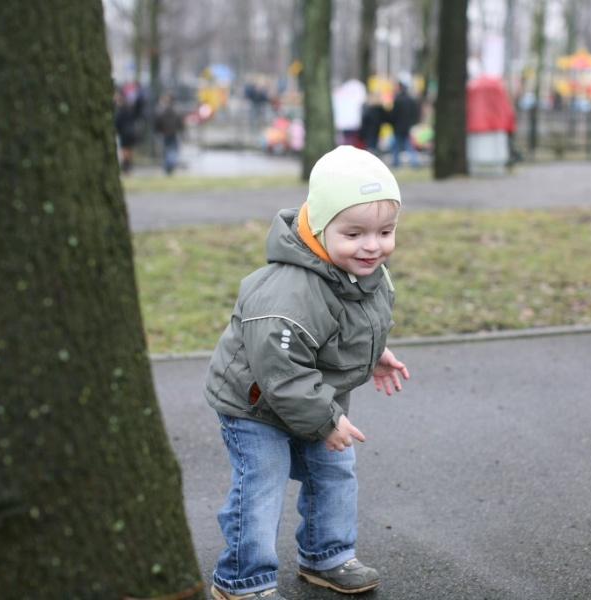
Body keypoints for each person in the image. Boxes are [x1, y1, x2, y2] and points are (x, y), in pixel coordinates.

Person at [204, 145, 410, 600]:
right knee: (262, 482)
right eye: (354, 233)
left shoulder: (362, 272)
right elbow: (281, 371)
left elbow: (352, 322)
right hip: (256, 404)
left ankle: (327, 555)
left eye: (385, 231)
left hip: (313, 397)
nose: (373, 245)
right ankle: (242, 579)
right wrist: (326, 419)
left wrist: (376, 351)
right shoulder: (289, 293)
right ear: (318, 227)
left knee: (333, 471)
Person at [387, 81, 421, 168]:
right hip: (407, 127)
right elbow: (415, 113)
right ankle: (415, 162)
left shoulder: (397, 100)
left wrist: (392, 123)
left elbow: (394, 115)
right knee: (408, 145)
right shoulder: (411, 99)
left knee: (396, 146)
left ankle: (396, 162)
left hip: (398, 127)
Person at [154, 93, 185, 175]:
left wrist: (158, 131)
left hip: (166, 133)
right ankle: (169, 166)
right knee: (172, 150)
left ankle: (168, 166)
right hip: (172, 133)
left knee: (167, 150)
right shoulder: (176, 110)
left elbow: (158, 122)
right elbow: (180, 123)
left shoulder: (161, 110)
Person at [114, 91, 139, 174]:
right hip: (130, 131)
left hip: (124, 132)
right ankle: (128, 165)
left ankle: (126, 166)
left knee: (125, 149)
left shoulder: (121, 109)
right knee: (128, 149)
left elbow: (118, 121)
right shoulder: (129, 107)